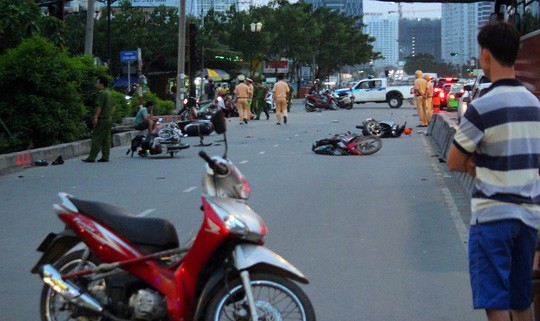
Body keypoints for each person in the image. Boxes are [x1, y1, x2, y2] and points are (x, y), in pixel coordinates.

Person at [447, 21, 540, 321]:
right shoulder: (534, 104)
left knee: (495, 300)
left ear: (485, 56)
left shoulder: (482, 107)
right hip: (528, 218)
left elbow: (453, 161)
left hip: (493, 218)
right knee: (521, 298)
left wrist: (479, 166)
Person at [83, 76, 115, 163]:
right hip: (109, 118)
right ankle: (105, 156)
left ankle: (92, 157)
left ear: (101, 84)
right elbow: (113, 107)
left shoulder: (102, 93)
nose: (96, 85)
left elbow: (99, 106)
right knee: (106, 139)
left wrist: (96, 117)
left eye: (97, 83)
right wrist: (110, 115)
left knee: (96, 138)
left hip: (102, 119)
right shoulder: (109, 93)